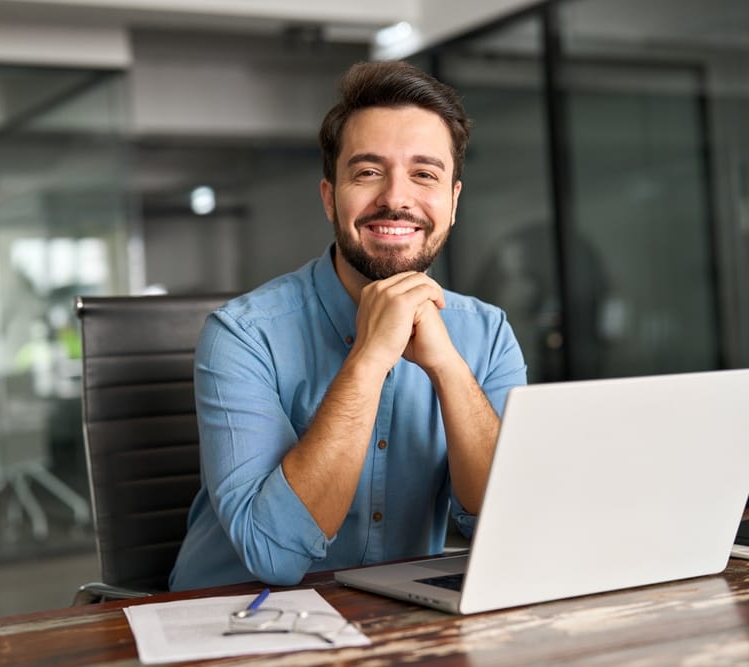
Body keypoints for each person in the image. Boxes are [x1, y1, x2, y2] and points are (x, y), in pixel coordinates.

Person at [169, 60, 527, 591]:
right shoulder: (242, 335)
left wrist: (449, 368)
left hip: (395, 620)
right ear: (329, 197)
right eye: (367, 172)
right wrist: (369, 357)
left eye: (424, 174)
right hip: (230, 622)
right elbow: (272, 555)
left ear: (452, 203)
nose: (396, 198)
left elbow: (508, 523)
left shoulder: (487, 333)